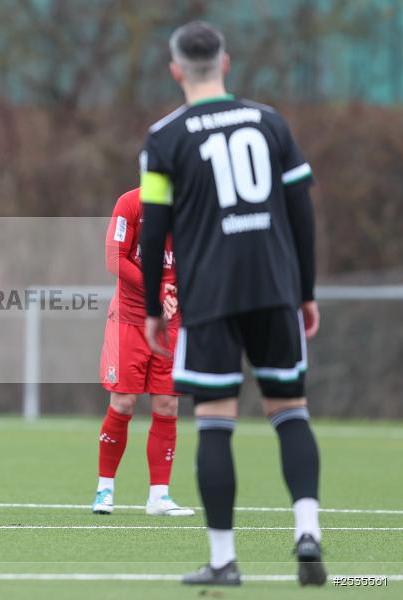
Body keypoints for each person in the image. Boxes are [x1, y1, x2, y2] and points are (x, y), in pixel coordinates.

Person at [139, 21, 325, 586]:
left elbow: (154, 230)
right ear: (225, 63)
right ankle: (308, 532)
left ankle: (223, 561)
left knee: (215, 423)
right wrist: (305, 291)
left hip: (209, 296)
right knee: (289, 411)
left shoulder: (165, 137)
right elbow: (301, 213)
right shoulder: (270, 122)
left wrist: (152, 308)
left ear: (175, 71)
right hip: (274, 289)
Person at [94, 188, 194, 518]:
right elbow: (115, 259)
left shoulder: (193, 202)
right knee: (123, 402)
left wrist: (177, 293)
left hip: (172, 321)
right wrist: (156, 290)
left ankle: (159, 496)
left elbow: (203, 256)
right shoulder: (130, 203)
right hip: (129, 319)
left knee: (167, 403)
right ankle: (105, 489)